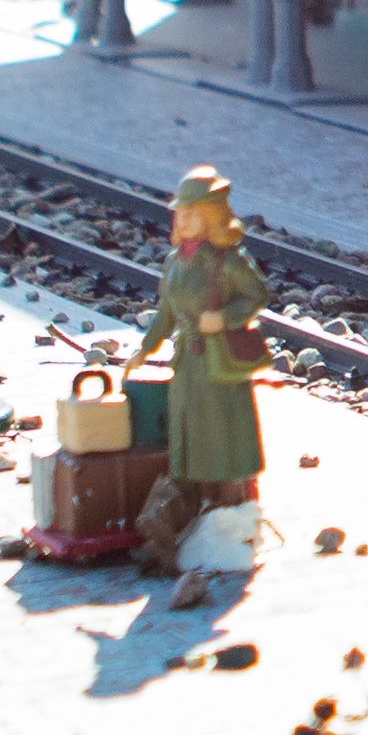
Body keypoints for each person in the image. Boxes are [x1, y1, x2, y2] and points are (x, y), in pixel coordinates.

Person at [133, 168, 269, 571]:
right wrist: (145, 348)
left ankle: (231, 516)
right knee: (189, 437)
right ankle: (196, 521)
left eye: (191, 212)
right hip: (187, 366)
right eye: (179, 213)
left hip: (219, 366)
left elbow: (257, 295)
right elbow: (166, 313)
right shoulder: (176, 261)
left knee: (222, 440)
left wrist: (224, 319)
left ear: (211, 214)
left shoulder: (227, 260)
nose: (182, 220)